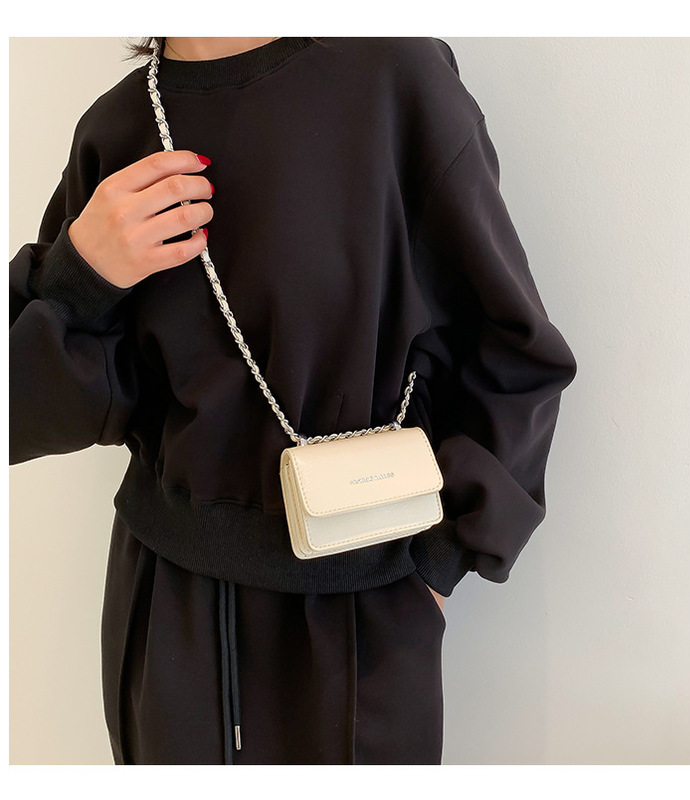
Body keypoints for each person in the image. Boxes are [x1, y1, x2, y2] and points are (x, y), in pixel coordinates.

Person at [9, 36, 577, 765]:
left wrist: (440, 565)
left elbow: (512, 349)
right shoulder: (119, 128)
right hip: (164, 612)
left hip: (361, 613)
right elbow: (29, 411)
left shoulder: (392, 77)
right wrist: (78, 275)